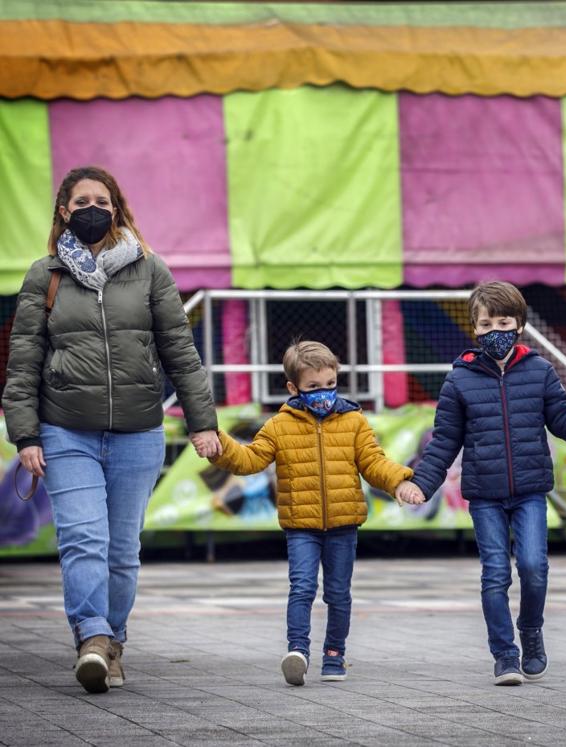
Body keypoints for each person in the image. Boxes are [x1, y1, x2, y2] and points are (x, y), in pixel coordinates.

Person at [2, 166, 221, 694]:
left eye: (102, 200)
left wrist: (202, 424)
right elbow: (24, 361)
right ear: (64, 212)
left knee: (122, 550)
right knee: (83, 539)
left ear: (117, 209)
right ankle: (92, 638)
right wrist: (26, 436)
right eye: (82, 201)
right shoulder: (44, 275)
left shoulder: (150, 271)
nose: (93, 208)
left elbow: (181, 354)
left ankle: (113, 641)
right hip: (65, 431)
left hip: (137, 431)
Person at [402, 282, 566, 686]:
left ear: (519, 325)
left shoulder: (539, 370)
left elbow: (563, 419)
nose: (495, 330)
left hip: (531, 491)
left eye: (504, 321)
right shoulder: (458, 381)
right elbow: (444, 441)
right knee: (495, 573)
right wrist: (421, 485)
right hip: (485, 495)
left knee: (534, 567)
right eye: (486, 323)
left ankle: (530, 630)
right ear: (475, 329)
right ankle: (505, 655)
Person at [192, 340, 416, 686]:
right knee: (302, 587)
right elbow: (250, 459)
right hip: (301, 526)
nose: (323, 393)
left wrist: (399, 481)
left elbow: (373, 462)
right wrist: (219, 444)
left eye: (330, 385)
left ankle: (334, 654)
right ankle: (297, 651)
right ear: (293, 388)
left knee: (339, 592)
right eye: (313, 387)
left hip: (344, 523)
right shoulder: (280, 426)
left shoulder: (353, 421)